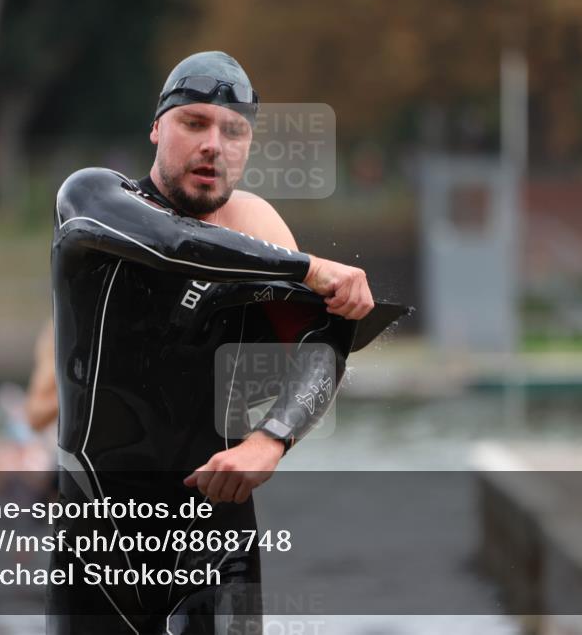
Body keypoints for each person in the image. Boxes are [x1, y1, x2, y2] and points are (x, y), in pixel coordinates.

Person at [48, 51, 402, 634]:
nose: (214, 144)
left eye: (233, 131)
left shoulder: (258, 229)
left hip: (214, 539)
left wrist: (272, 440)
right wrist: (305, 268)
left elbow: (324, 342)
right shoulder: (91, 199)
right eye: (194, 123)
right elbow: (172, 243)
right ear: (157, 128)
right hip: (97, 541)